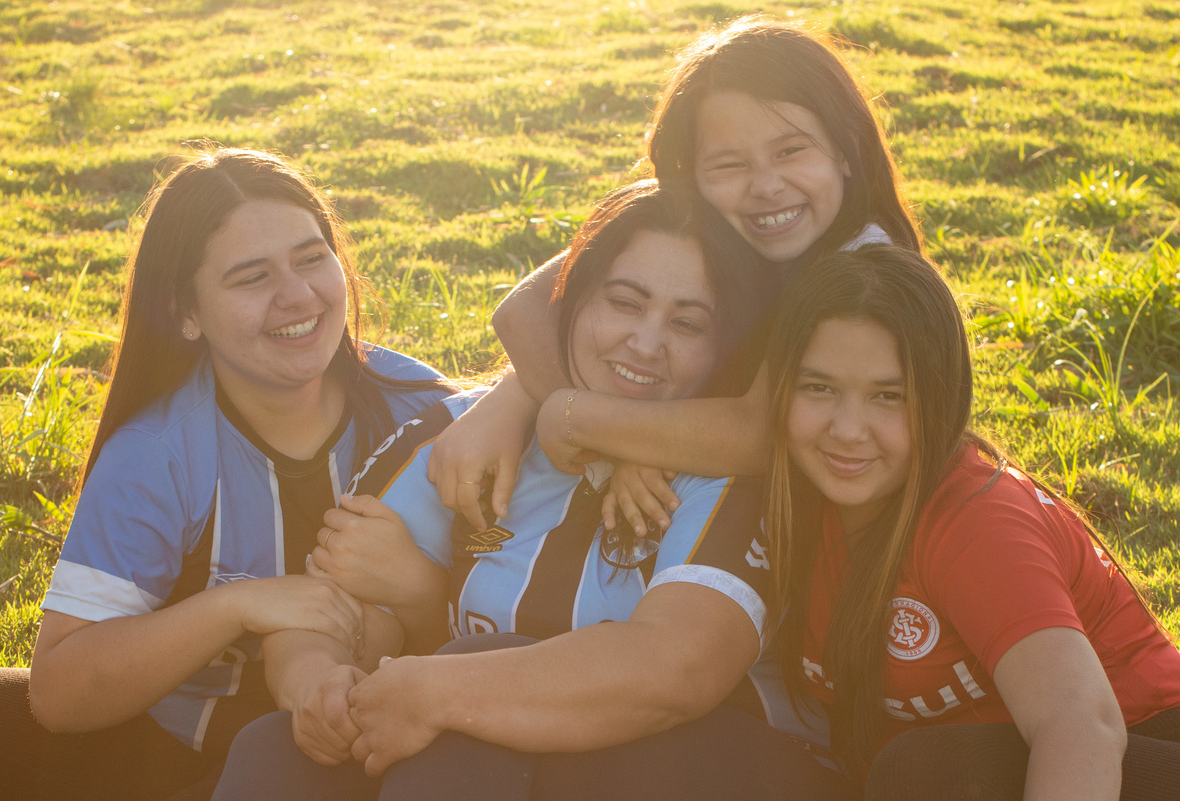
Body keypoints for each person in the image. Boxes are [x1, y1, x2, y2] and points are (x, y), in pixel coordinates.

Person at [210, 182, 856, 801]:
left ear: (725, 349)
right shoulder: (465, 436)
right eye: (624, 302)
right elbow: (328, 611)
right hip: (503, 763)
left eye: (688, 324)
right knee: (278, 746)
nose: (646, 341)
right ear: (570, 300)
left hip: (712, 764)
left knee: (474, 693)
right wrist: (321, 683)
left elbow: (678, 671)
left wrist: (440, 688)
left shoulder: (734, 470)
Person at [0, 147, 451, 801]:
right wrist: (239, 604)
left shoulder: (428, 410)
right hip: (165, 751)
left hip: (377, 751)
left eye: (313, 257)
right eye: (251, 277)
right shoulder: (158, 451)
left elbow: (521, 612)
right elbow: (59, 690)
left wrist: (421, 589)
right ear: (185, 313)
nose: (298, 294)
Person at [429, 14, 922, 546]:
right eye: (728, 165)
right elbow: (525, 309)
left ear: (847, 149)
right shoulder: (733, 236)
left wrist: (581, 420)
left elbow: (759, 432)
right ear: (690, 179)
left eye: (791, 151)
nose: (765, 186)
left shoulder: (860, 272)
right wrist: (524, 402)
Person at [764, 244, 1180, 800]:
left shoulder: (976, 519)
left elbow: (1081, 725)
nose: (847, 429)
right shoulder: (786, 493)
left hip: (1124, 755)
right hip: (991, 766)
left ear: (941, 398)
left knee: (922, 770)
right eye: (819, 388)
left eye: (889, 396)